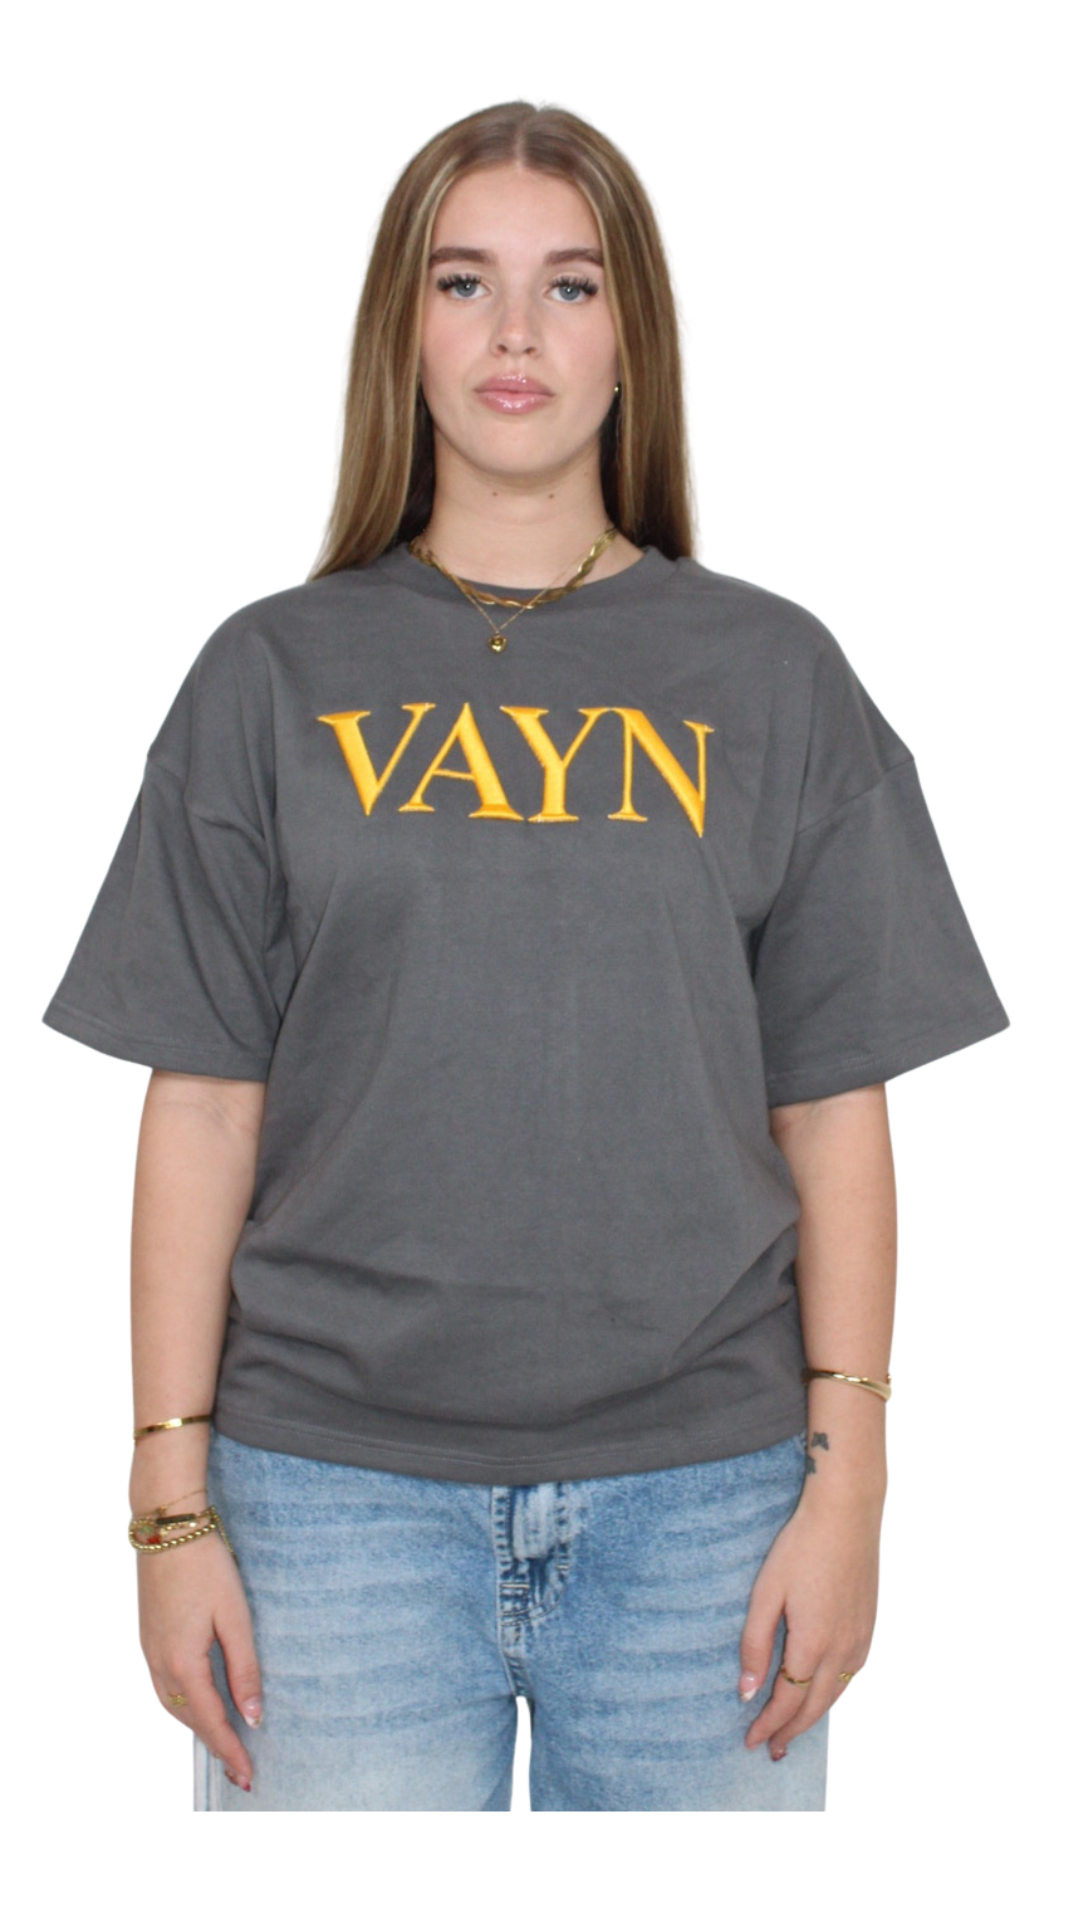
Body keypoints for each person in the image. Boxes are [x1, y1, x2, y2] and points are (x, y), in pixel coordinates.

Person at [42, 100, 1008, 1813]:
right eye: (463, 282)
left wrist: (850, 1481)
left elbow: (831, 1105)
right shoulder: (268, 676)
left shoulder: (773, 674)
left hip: (707, 1506)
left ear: (632, 338)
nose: (514, 333)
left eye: (569, 286)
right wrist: (169, 1507)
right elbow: (201, 1106)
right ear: (400, 331)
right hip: (328, 1501)